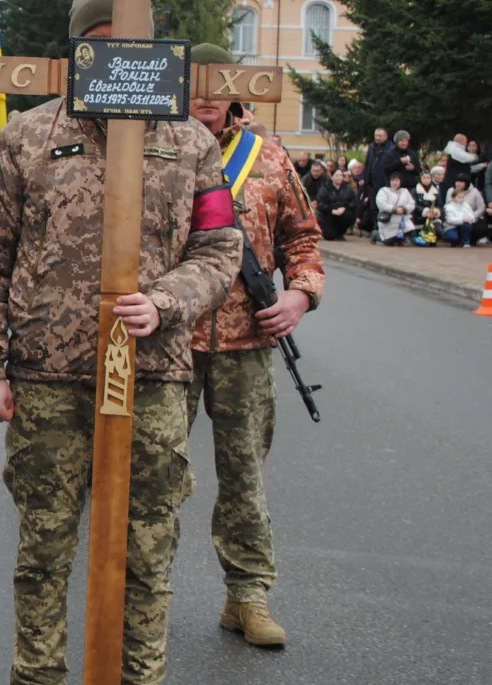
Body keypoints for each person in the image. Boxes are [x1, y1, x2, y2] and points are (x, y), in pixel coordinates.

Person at [0, 0, 242, 685]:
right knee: (44, 549)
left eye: (136, 40)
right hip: (47, 379)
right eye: (105, 41)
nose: (123, 54)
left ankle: (140, 676)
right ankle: (37, 675)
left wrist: (168, 302)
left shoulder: (191, 141)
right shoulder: (28, 135)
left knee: (147, 547)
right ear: (82, 46)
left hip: (153, 376)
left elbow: (219, 248)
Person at [186, 43, 324, 649]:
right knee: (156, 475)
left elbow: (304, 239)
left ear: (236, 90)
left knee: (244, 475)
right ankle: (141, 594)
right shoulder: (153, 150)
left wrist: (302, 296)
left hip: (246, 343)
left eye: (218, 85)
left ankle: (247, 596)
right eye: (195, 84)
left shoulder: (267, 157)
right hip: (169, 341)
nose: (206, 97)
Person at [317, 168, 359, 241]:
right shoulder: (325, 188)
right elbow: (320, 204)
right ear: (332, 177)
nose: (339, 177)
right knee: (329, 236)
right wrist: (332, 210)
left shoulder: (348, 188)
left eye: (340, 175)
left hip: (343, 212)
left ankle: (340, 233)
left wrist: (345, 208)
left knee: (348, 215)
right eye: (336, 175)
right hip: (329, 214)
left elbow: (354, 201)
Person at [374, 172, 416, 245]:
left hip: (402, 218)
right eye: (393, 180)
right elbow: (381, 203)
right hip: (389, 219)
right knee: (388, 242)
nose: (394, 183)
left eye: (397, 180)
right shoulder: (383, 190)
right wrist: (394, 209)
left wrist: (404, 209)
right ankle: (376, 235)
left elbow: (411, 203)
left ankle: (399, 239)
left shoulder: (405, 191)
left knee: (410, 229)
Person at [442, 179, 479, 247]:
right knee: (452, 237)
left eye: (462, 197)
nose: (461, 199)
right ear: (453, 198)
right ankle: (453, 240)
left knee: (467, 225)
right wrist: (462, 219)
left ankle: (465, 242)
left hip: (463, 226)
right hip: (451, 227)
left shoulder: (466, 205)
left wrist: (470, 219)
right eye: (459, 197)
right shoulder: (448, 207)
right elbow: (450, 220)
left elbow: (472, 216)